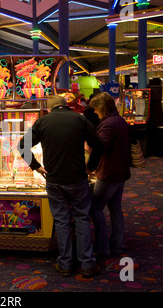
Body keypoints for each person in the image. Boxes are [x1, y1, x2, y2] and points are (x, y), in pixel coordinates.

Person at [18, 95, 102, 278]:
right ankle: (87, 264)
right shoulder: (80, 119)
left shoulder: (43, 121)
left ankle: (65, 264)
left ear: (49, 109)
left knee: (62, 221)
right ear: (66, 106)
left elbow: (22, 145)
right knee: (82, 219)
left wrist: (36, 166)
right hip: (77, 178)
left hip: (54, 179)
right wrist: (91, 167)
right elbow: (98, 145)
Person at [89, 92, 131, 257]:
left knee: (95, 208)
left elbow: (101, 147)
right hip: (120, 171)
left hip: (109, 173)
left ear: (102, 108)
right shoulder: (119, 120)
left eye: (95, 109)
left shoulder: (107, 124)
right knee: (115, 208)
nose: (94, 112)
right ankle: (117, 245)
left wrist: (88, 147)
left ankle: (102, 246)